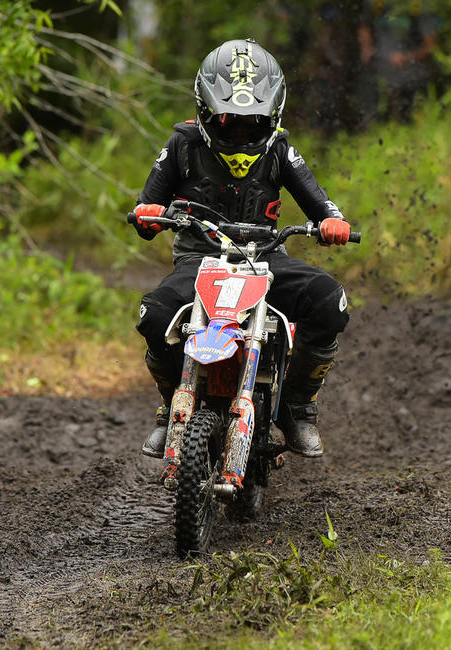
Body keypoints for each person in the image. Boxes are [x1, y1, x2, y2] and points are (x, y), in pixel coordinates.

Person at [131, 38, 353, 459]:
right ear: (205, 110)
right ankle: (169, 407)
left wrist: (332, 222)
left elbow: (319, 202)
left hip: (265, 259)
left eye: (252, 123)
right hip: (200, 261)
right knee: (154, 316)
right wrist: (148, 213)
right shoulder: (182, 145)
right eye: (230, 121)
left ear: (272, 115)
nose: (240, 131)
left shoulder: (280, 150)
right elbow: (147, 210)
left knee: (330, 303)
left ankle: (297, 405)